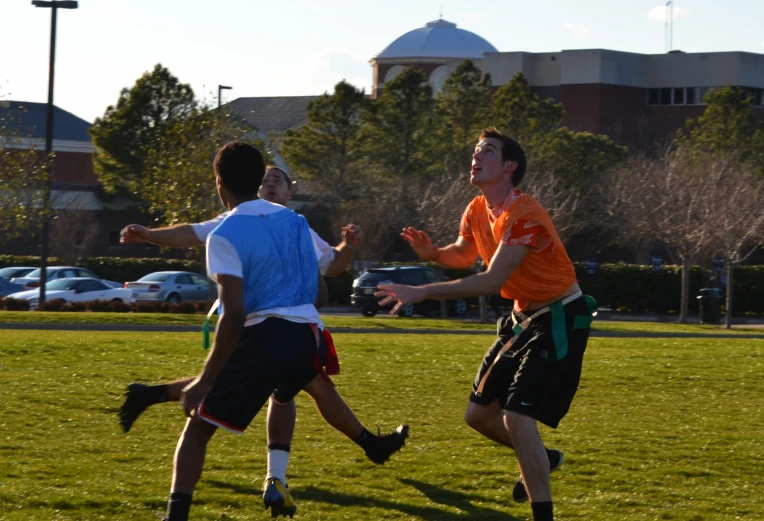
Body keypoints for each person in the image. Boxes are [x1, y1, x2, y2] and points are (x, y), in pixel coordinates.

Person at [123, 160, 408, 519]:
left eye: (279, 180)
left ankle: (177, 509)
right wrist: (150, 234)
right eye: (268, 180)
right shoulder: (269, 223)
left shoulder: (276, 225)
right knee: (303, 388)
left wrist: (348, 247)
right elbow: (189, 232)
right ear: (257, 185)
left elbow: (330, 265)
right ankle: (352, 451)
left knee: (202, 422)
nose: (272, 185)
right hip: (300, 335)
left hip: (266, 333)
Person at [375, 128, 594, 521]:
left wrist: (421, 292)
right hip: (522, 317)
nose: (476, 157)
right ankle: (543, 458)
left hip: (559, 315)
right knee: (478, 416)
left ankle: (543, 514)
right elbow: (463, 254)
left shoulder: (524, 213)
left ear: (509, 167)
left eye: (487, 152)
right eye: (476, 151)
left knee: (517, 415)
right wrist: (434, 253)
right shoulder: (477, 208)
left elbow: (492, 280)